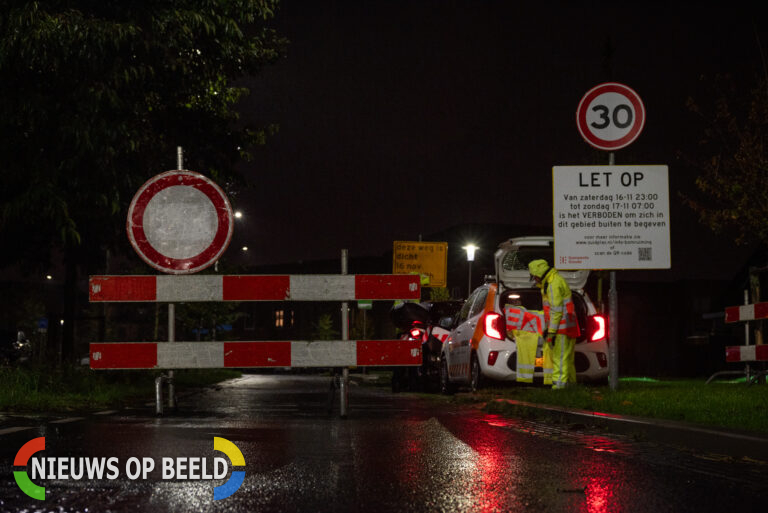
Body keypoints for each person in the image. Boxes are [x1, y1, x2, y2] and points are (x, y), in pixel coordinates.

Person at [528, 259, 579, 389]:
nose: (534, 279)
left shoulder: (552, 284)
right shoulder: (554, 281)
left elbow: (556, 310)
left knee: (559, 358)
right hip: (568, 325)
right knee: (567, 358)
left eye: (534, 276)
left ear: (539, 274)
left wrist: (551, 332)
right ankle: (571, 385)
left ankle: (559, 387)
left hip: (561, 328)